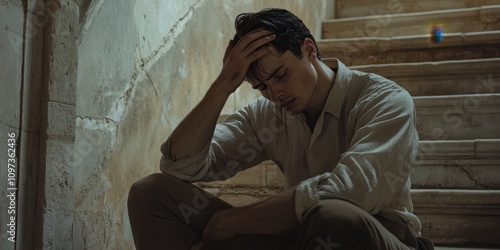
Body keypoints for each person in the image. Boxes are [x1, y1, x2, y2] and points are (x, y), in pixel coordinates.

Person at [127, 8, 434, 250]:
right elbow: (180, 166)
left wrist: (232, 221)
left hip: (377, 236)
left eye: (280, 75)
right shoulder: (267, 114)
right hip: (300, 238)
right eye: (261, 86)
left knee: (334, 217)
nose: (274, 94)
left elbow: (351, 193)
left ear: (309, 49)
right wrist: (222, 86)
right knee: (151, 192)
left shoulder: (385, 100)